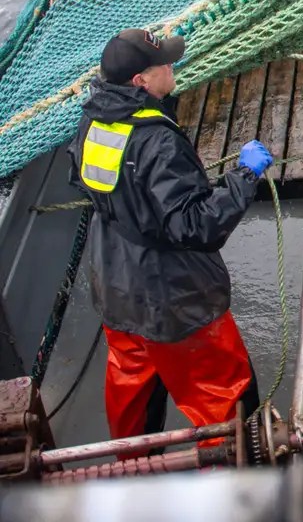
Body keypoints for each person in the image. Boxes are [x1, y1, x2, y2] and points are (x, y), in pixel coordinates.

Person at [72, 28, 275, 438]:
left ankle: (130, 470)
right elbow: (195, 225)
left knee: (132, 386)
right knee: (222, 395)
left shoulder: (93, 120)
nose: (172, 65)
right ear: (140, 82)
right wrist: (245, 177)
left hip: (116, 286)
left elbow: (89, 185)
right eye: (164, 63)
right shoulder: (157, 141)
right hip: (174, 301)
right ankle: (235, 484)